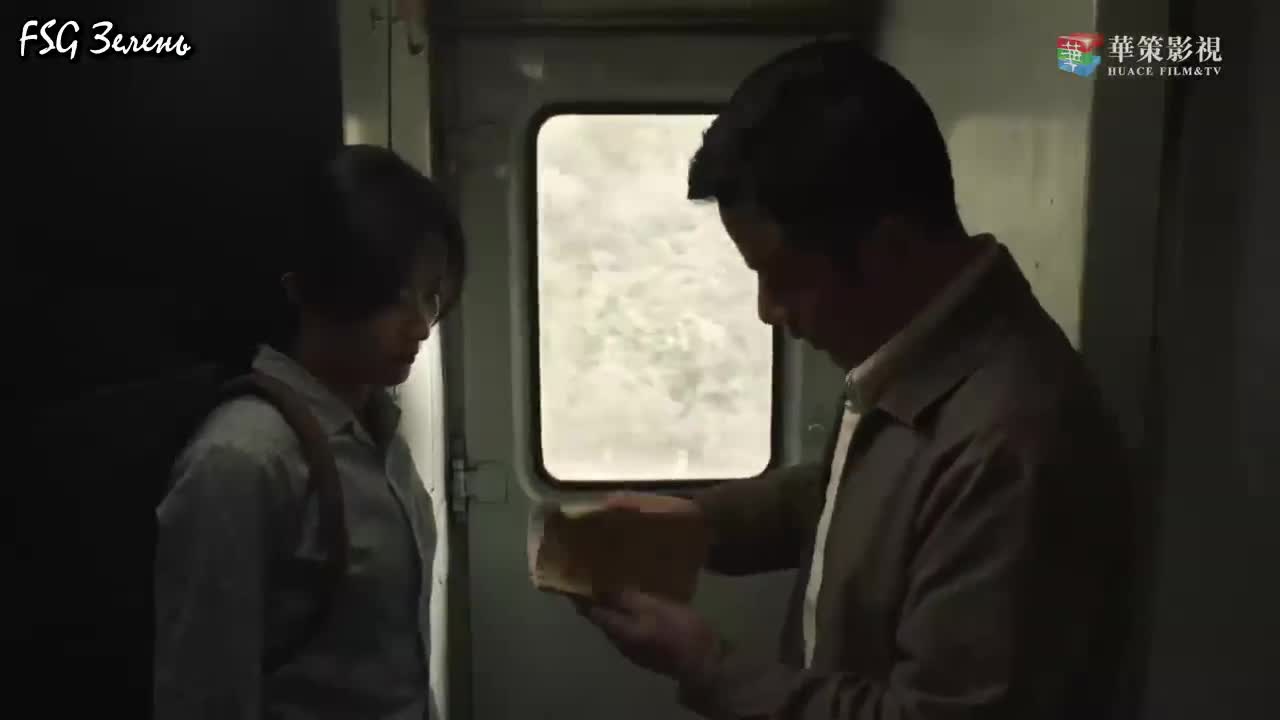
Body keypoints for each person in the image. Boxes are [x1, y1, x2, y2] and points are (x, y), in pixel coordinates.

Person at [574, 40, 1137, 719]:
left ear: (889, 248)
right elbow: (861, 490)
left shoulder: (1013, 444)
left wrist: (707, 666)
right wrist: (701, 525)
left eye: (783, 278)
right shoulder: (914, 364)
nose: (768, 311)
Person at [153, 144, 464, 720]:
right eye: (389, 297)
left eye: (429, 296)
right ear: (313, 289)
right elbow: (204, 694)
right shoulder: (243, 457)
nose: (420, 325)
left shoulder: (378, 430)